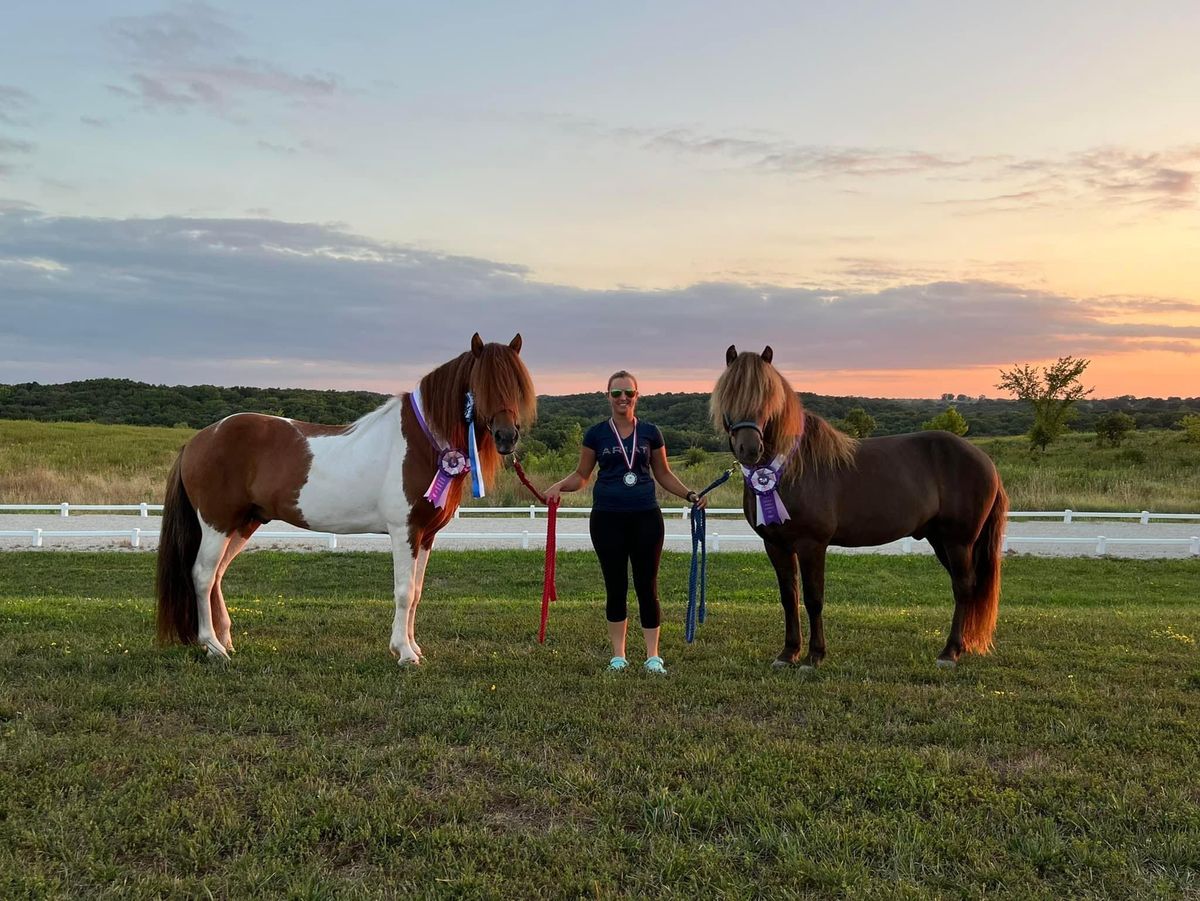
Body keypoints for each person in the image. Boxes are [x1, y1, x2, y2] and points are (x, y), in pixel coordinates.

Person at [545, 370, 707, 674]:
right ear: (607, 396)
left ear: (637, 396)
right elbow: (582, 475)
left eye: (628, 393)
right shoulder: (596, 434)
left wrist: (690, 493)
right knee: (615, 587)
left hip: (646, 517)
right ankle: (618, 657)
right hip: (607, 518)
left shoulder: (650, 432)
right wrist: (559, 486)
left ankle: (652, 656)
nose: (623, 399)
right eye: (616, 393)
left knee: (648, 586)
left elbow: (663, 474)